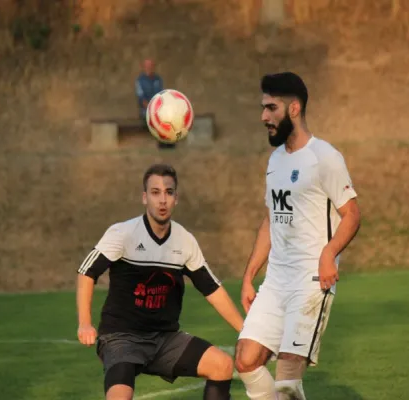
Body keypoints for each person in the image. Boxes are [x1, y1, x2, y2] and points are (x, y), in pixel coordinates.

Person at [234, 72, 361, 400]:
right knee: (246, 361)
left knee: (287, 383)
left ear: (293, 109)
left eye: (270, 108)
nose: (264, 117)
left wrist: (328, 253)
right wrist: (250, 276)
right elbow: (270, 221)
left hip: (310, 282)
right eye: (263, 108)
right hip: (275, 282)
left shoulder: (325, 157)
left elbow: (352, 215)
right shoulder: (275, 160)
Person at [76, 163, 244, 400]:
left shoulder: (184, 240)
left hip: (165, 339)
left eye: (169, 192)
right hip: (121, 338)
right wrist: (85, 323)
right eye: (155, 193)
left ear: (176, 198)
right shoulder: (123, 233)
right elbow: (87, 271)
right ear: (145, 198)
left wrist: (245, 331)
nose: (162, 200)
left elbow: (211, 288)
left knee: (222, 365)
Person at [135, 59, 174, 149]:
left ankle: (168, 141)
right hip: (146, 110)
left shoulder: (158, 79)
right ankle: (163, 142)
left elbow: (161, 95)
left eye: (151, 66)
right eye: (147, 66)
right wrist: (152, 108)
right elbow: (141, 98)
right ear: (144, 68)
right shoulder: (140, 81)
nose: (149, 68)